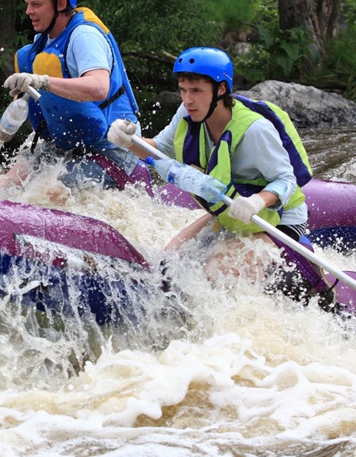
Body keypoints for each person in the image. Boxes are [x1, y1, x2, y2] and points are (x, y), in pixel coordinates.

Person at [107, 46, 331, 300]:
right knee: (169, 257)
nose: (188, 99)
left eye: (197, 91)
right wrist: (128, 141)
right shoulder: (187, 114)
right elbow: (160, 149)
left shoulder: (255, 130)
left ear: (221, 90)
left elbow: (286, 180)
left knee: (217, 271)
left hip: (279, 220)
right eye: (183, 90)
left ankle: (305, 271)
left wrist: (257, 201)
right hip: (232, 215)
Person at [0, 0, 148, 191]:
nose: (29, 11)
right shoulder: (41, 45)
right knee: (3, 187)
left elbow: (99, 88)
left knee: (46, 193)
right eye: (27, 4)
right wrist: (7, 122)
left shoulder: (84, 36)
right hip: (63, 147)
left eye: (36, 4)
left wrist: (43, 81)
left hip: (112, 151)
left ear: (60, 4)